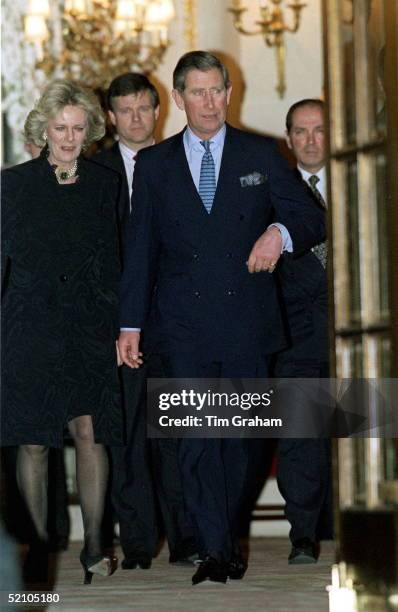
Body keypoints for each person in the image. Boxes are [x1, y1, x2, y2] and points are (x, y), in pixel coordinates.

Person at [118, 51, 326, 585]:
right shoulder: (156, 164)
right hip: (180, 324)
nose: (209, 103)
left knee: (238, 440)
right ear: (181, 97)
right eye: (198, 93)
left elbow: (308, 216)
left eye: (218, 92)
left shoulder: (262, 153)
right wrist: (130, 325)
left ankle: (223, 533)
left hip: (247, 322)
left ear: (229, 94)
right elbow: (140, 249)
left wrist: (277, 235)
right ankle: (216, 547)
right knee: (194, 439)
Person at [1, 79, 122, 585]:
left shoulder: (105, 183)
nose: (69, 137)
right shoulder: (13, 184)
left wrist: (122, 326)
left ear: (89, 130)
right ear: (43, 129)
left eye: (78, 128)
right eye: (59, 128)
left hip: (90, 327)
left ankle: (95, 543)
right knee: (32, 441)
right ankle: (38, 548)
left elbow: (116, 261)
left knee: (90, 431)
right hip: (28, 326)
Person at [94, 73, 196, 569]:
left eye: (143, 108)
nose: (135, 118)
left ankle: (186, 539)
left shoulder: (187, 160)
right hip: (119, 329)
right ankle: (137, 546)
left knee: (178, 432)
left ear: (159, 110)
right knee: (129, 437)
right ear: (111, 117)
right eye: (124, 110)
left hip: (178, 321)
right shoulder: (96, 172)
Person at [275, 98, 333, 564]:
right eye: (301, 131)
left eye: (319, 130)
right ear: (289, 138)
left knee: (362, 428)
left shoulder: (362, 177)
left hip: (352, 331)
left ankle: (355, 526)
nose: (311, 140)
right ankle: (303, 536)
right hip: (293, 333)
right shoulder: (274, 189)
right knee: (299, 438)